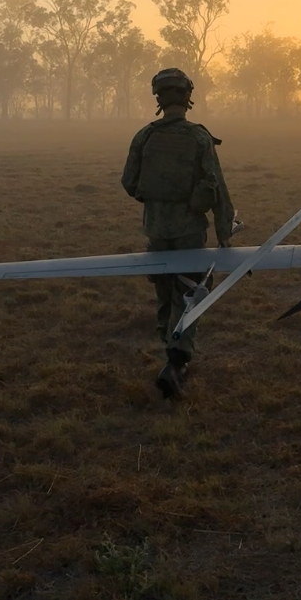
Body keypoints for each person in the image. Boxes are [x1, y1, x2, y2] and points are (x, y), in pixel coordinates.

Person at [121, 68, 235, 399]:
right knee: (189, 295)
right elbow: (219, 190)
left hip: (157, 230)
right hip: (189, 233)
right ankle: (176, 361)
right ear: (188, 96)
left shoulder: (145, 136)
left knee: (165, 292)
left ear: (158, 97)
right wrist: (224, 232)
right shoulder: (199, 138)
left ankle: (169, 349)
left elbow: (129, 182)